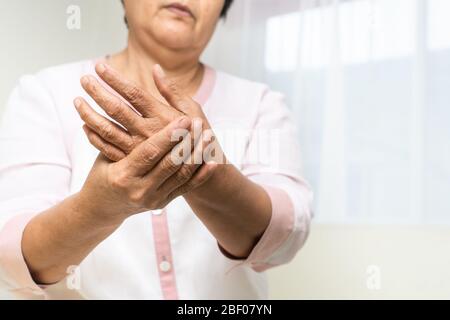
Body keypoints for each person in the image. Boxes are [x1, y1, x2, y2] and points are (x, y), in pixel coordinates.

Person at [0, 0, 312, 299]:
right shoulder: (45, 94)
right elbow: (13, 260)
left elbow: (285, 240)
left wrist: (209, 175)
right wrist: (98, 208)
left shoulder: (260, 103)